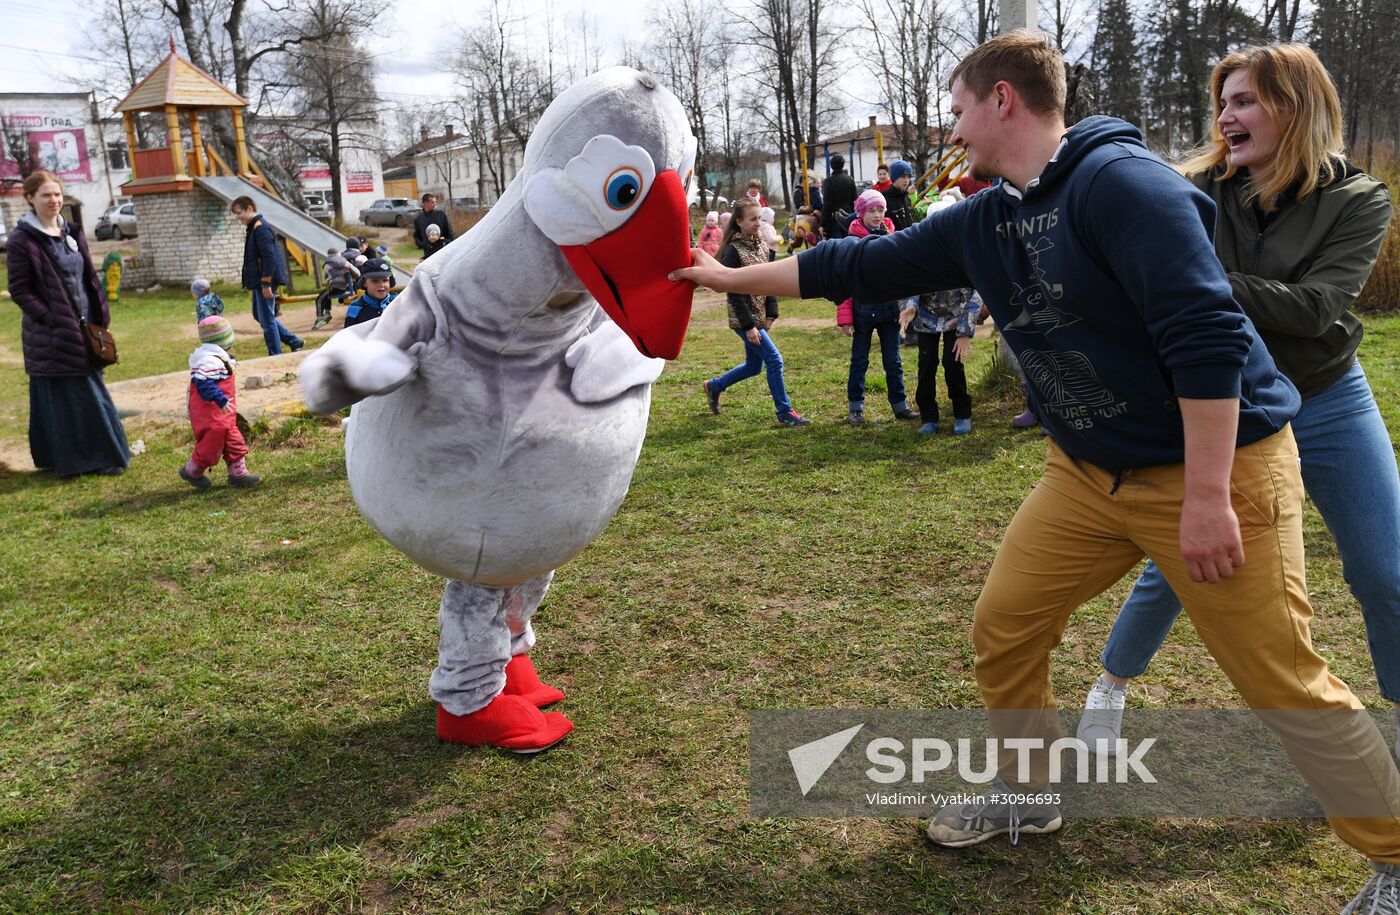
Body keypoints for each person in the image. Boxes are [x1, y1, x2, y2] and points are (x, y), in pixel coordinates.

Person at [670, 31, 1400, 908]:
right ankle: (1030, 790)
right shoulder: (992, 213)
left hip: (1220, 469)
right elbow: (862, 263)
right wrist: (727, 274)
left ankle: (1393, 852)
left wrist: (1207, 497)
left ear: (1002, 100)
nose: (952, 129)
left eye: (957, 109)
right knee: (1006, 627)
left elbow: (1207, 339)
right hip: (1088, 477)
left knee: (1282, 682)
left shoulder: (1125, 187)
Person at [1076, 44, 1400, 770]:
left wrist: (1194, 278)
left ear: (1295, 106)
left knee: (1388, 572)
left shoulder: (1359, 198)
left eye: (1245, 100)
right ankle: (1109, 687)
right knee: (1190, 553)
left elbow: (1317, 310)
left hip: (1326, 397)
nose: (1226, 116)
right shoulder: (1191, 188)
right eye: (1223, 102)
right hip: (1231, 401)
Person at [6, 170, 129, 477]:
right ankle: (93, 460)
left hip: (84, 327)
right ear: (30, 198)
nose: (54, 200)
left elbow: (87, 276)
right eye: (46, 195)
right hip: (52, 333)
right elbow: (21, 290)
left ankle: (92, 456)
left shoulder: (71, 232)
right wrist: (49, 318)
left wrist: (100, 313)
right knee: (76, 395)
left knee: (86, 390)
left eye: (58, 194)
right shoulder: (23, 240)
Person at [699, 199, 809, 427]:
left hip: (759, 317)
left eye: (759, 218)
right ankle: (784, 412)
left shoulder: (762, 246)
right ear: (738, 222)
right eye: (753, 219)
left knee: (753, 366)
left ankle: (715, 386)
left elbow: (771, 281)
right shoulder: (733, 251)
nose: (758, 223)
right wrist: (749, 327)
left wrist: (771, 313)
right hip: (744, 320)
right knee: (774, 360)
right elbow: (734, 292)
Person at [835, 190, 918, 425]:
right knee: (859, 360)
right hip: (863, 311)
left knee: (893, 360)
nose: (877, 214)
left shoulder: (893, 237)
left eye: (881, 210)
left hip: (890, 311)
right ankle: (856, 407)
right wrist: (845, 316)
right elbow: (844, 280)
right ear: (860, 213)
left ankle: (900, 406)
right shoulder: (851, 242)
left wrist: (907, 304)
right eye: (872, 210)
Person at [180, 315, 260, 490]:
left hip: (224, 414)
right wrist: (220, 399)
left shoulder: (216, 357)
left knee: (233, 439)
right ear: (223, 340)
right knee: (211, 443)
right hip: (212, 413)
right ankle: (192, 470)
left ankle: (238, 474)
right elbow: (203, 382)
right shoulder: (210, 361)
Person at [900, 278, 979, 435]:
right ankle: (928, 417)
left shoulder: (958, 257)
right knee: (926, 363)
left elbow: (972, 295)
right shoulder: (920, 256)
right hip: (926, 316)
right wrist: (910, 307)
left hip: (958, 316)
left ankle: (962, 414)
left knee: (952, 362)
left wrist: (964, 333)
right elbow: (911, 282)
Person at [231, 196, 303, 356]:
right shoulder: (254, 228)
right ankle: (293, 340)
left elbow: (269, 257)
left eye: (239, 213)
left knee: (267, 320)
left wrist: (266, 283)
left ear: (250, 208)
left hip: (265, 280)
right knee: (260, 315)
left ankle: (275, 354)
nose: (238, 218)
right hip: (259, 280)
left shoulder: (260, 228)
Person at [342, 258, 397, 328]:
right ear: (364, 283)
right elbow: (349, 336)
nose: (381, 285)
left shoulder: (397, 304)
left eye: (385, 280)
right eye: (375, 281)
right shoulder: (356, 309)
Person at [314, 247, 358, 330]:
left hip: (334, 288)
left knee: (319, 299)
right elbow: (357, 273)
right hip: (346, 288)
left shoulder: (327, 265)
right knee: (325, 296)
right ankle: (327, 313)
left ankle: (320, 317)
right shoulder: (346, 262)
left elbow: (326, 278)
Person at [822, 153, 858, 242]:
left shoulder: (828, 181)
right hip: (849, 216)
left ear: (831, 166)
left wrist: (823, 223)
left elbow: (827, 204)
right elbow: (855, 200)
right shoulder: (850, 179)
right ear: (843, 165)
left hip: (834, 218)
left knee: (837, 245)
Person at [879, 159, 916, 230]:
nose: (906, 180)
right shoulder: (885, 199)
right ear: (894, 178)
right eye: (903, 176)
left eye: (908, 177)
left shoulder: (906, 198)